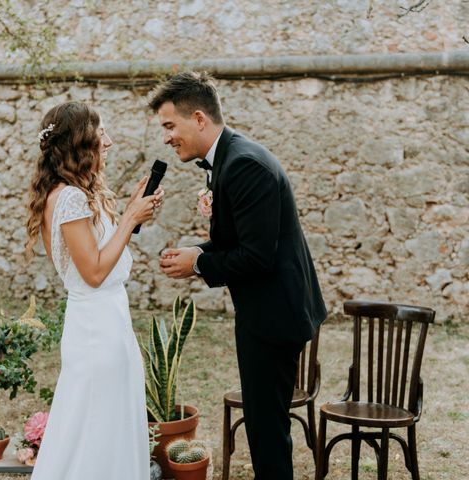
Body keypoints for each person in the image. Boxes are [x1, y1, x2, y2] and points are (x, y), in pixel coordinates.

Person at [150, 72, 327, 480]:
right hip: (263, 313)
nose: (166, 138)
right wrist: (200, 250)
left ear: (198, 119)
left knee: (267, 433)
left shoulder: (244, 165)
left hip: (274, 318)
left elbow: (257, 257)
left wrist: (197, 264)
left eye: (169, 126)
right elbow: (243, 239)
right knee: (264, 427)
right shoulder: (229, 157)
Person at [24, 101, 163, 480]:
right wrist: (131, 218)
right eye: (101, 134)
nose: (110, 142)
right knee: (96, 432)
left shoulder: (72, 194)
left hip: (107, 321)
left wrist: (132, 210)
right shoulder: (68, 198)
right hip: (96, 330)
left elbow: (103, 254)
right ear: (81, 144)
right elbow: (95, 272)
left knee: (106, 427)